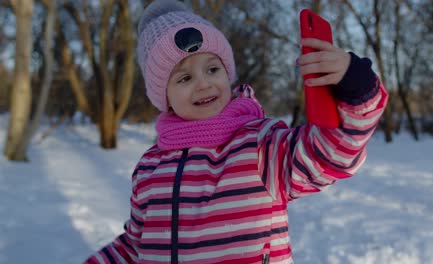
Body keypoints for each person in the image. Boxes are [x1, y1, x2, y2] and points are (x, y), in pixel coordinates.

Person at [84, 0, 388, 263]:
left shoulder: (260, 145)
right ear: (163, 96)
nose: (203, 83)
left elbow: (332, 153)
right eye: (185, 77)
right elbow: (136, 245)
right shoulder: (150, 167)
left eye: (213, 69)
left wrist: (358, 88)